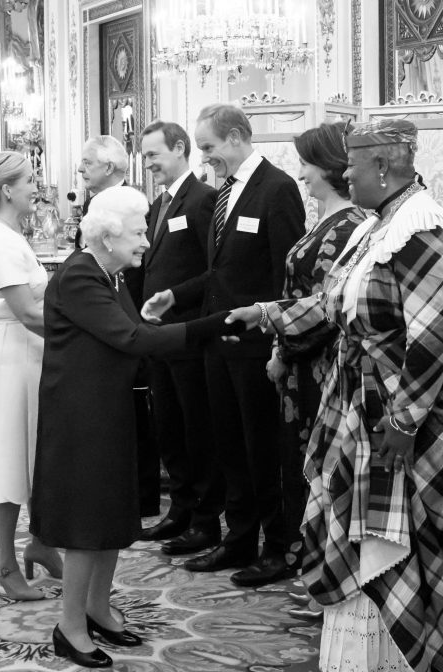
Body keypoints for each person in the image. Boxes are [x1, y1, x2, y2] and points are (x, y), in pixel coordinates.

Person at [226, 118, 443, 672]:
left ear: (384, 167)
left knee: (428, 545)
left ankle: (433, 658)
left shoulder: (422, 229)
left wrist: (405, 421)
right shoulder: (377, 226)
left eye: (352, 166)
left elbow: (435, 335)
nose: (344, 175)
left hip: (432, 419)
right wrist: (268, 314)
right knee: (374, 537)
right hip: (377, 406)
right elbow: (335, 304)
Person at [28, 186, 243, 668]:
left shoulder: (110, 274)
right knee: (86, 525)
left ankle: (97, 609)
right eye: (139, 232)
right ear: (108, 236)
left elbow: (134, 334)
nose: (147, 241)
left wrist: (162, 325)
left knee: (109, 517)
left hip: (107, 410)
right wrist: (213, 326)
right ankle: (70, 626)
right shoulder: (80, 274)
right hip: (81, 417)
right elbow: (130, 338)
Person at [142, 104, 306, 587]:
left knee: (261, 452)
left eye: (209, 147)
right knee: (229, 449)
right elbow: (220, 272)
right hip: (219, 342)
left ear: (236, 137)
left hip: (256, 346)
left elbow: (286, 274)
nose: (205, 157)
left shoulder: (277, 188)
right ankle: (239, 538)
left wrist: (279, 343)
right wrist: (177, 295)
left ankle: (278, 547)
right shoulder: (225, 194)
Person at [260, 122, 366, 619]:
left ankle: (325, 580)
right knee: (305, 471)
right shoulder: (329, 220)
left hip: (319, 370)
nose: (299, 173)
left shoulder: (347, 226)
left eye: (305, 163)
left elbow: (325, 309)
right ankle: (316, 575)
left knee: (320, 473)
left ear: (327, 166)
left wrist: (282, 352)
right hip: (303, 370)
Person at [0, 150, 62, 601]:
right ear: (7, 190)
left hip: (30, 354)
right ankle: (3, 561)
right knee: (10, 458)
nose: (36, 187)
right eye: (29, 180)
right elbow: (27, 312)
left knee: (37, 454)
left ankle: (40, 543)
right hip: (15, 358)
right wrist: (83, 332)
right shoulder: (1, 241)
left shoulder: (11, 235)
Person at [132, 120, 224, 556]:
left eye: (153, 154)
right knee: (168, 427)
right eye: (145, 156)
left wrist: (179, 303)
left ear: (180, 148)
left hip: (189, 335)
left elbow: (213, 270)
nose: (148, 163)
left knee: (196, 430)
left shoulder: (204, 199)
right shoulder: (159, 205)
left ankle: (206, 520)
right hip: (158, 337)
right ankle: (181, 510)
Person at [76, 134, 160, 517]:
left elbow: (143, 268)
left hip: (135, 314)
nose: (81, 170)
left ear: (109, 167)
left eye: (87, 163)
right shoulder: (83, 268)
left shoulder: (136, 206)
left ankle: (142, 497)